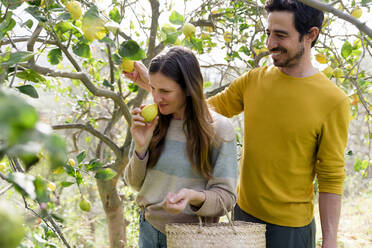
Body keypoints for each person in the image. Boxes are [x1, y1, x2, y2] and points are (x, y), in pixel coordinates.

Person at [126, 1, 350, 247]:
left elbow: (331, 178)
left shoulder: (333, 101)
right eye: (268, 33)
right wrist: (158, 87)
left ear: (311, 35)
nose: (270, 44)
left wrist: (330, 241)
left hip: (291, 229)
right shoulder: (254, 80)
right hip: (242, 219)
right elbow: (200, 111)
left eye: (281, 35)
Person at [124, 46, 238, 248]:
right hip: (149, 232)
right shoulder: (151, 122)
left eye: (165, 91)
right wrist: (140, 148)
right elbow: (134, 184)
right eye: (153, 88)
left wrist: (194, 197)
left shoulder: (219, 129)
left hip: (194, 238)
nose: (157, 99)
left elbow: (227, 198)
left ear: (187, 89)